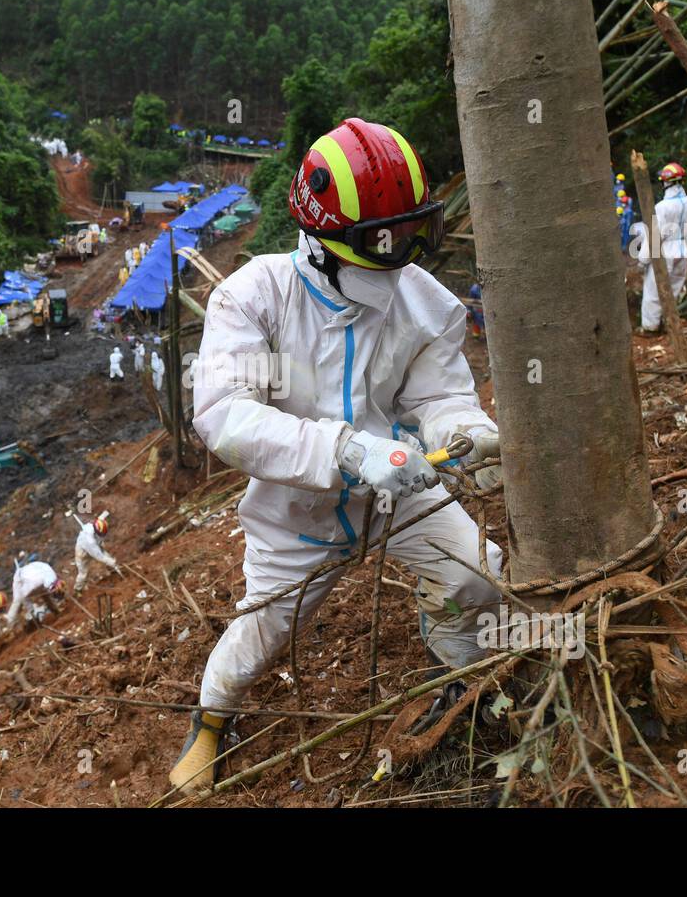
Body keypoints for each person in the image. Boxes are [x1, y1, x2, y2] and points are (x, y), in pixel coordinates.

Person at [169, 117, 503, 795]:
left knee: (477, 576)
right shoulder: (254, 297)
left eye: (413, 230)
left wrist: (467, 431)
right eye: (388, 237)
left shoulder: (425, 303)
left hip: (400, 490)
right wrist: (346, 449)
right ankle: (210, 720)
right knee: (261, 635)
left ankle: (459, 675)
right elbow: (223, 415)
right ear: (326, 240)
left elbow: (440, 394)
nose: (404, 248)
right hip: (299, 511)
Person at [636, 162, 687, 334]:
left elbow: (654, 236)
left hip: (664, 252)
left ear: (665, 182)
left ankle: (650, 328)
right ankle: (668, 323)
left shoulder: (662, 207)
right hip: (683, 250)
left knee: (654, 292)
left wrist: (643, 260)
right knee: (674, 289)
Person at [4, 558, 63, 628]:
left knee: (45, 594)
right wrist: (30, 610)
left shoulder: (50, 574)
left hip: (36, 577)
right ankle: (11, 624)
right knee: (19, 602)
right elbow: (22, 597)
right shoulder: (29, 585)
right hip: (21, 583)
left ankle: (55, 611)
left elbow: (48, 587)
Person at [74, 516, 117, 594]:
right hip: (82, 553)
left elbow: (100, 546)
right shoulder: (89, 541)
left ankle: (113, 569)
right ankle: (78, 589)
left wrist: (109, 558)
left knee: (107, 557)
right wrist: (111, 561)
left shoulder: (94, 527)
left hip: (93, 545)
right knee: (83, 573)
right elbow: (99, 556)